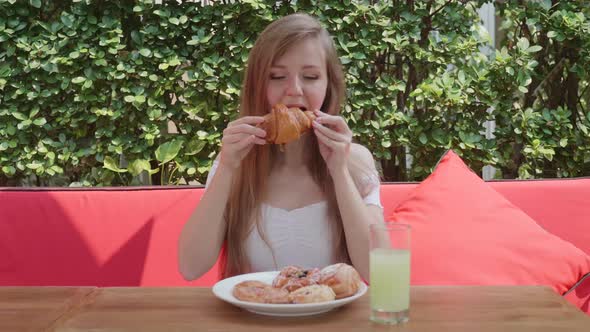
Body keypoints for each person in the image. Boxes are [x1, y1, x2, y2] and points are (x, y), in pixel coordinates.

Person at [178, 13, 383, 281]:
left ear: (328, 86)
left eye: (310, 76)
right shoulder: (235, 164)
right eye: (276, 76)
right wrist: (227, 168)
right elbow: (190, 267)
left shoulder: (355, 162)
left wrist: (340, 172)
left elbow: (378, 272)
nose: (294, 90)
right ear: (257, 86)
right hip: (254, 318)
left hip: (333, 321)